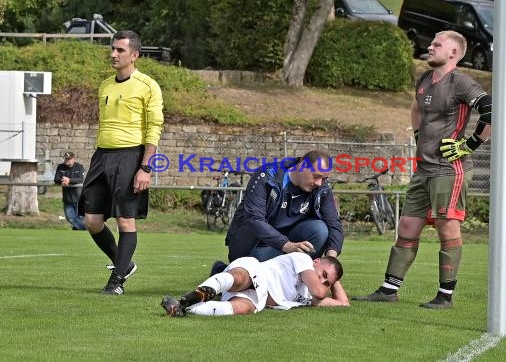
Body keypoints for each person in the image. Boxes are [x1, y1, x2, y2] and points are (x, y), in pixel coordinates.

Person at [353, 30, 492, 309]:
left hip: (448, 170)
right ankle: (389, 290)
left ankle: (445, 297)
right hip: (423, 169)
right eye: (431, 43)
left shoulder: (460, 82)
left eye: (436, 44)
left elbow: (491, 109)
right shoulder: (425, 79)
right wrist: (418, 137)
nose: (430, 47)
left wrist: (469, 144)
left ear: (453, 52)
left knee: (447, 228)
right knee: (406, 226)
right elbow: (416, 109)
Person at [79, 30, 164, 295]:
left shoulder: (148, 85)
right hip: (102, 155)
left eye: (120, 50)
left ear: (135, 55)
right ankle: (122, 264)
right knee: (91, 221)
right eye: (113, 49)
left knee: (126, 222)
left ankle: (116, 282)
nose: (114, 54)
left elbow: (155, 128)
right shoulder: (105, 84)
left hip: (131, 156)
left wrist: (145, 167)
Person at [211, 150, 344, 274]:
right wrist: (286, 245)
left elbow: (334, 224)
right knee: (260, 266)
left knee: (319, 230)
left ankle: (295, 278)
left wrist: (330, 261)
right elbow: (254, 219)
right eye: (316, 176)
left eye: (324, 178)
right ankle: (227, 271)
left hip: (289, 245)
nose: (320, 183)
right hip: (256, 245)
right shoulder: (266, 176)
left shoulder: (321, 188)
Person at [161, 252, 349, 317]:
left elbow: (344, 304)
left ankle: (182, 307)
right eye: (323, 274)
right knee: (240, 279)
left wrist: (335, 280)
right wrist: (325, 285)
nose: (322, 281)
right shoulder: (304, 260)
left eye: (327, 282)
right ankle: (192, 296)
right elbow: (319, 290)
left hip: (260, 299)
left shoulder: (309, 295)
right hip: (255, 273)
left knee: (242, 308)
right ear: (317, 261)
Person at [53, 151, 86, 230]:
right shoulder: (60, 167)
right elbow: (56, 179)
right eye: (66, 159)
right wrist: (63, 180)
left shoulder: (79, 167)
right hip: (67, 198)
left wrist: (69, 180)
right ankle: (84, 229)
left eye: (69, 159)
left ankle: (79, 229)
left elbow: (81, 179)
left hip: (79, 198)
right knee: (70, 218)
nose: (67, 160)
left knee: (80, 218)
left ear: (74, 159)